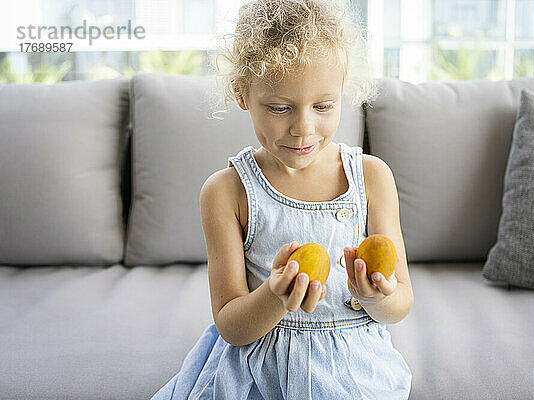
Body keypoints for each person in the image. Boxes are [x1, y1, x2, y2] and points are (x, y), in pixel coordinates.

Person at [151, 0, 414, 398]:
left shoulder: (371, 177)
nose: (303, 129)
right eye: (279, 108)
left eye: (323, 106)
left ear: (343, 90)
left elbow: (401, 302)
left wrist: (375, 296)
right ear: (242, 94)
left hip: (351, 370)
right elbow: (232, 326)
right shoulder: (226, 192)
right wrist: (276, 297)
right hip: (257, 370)